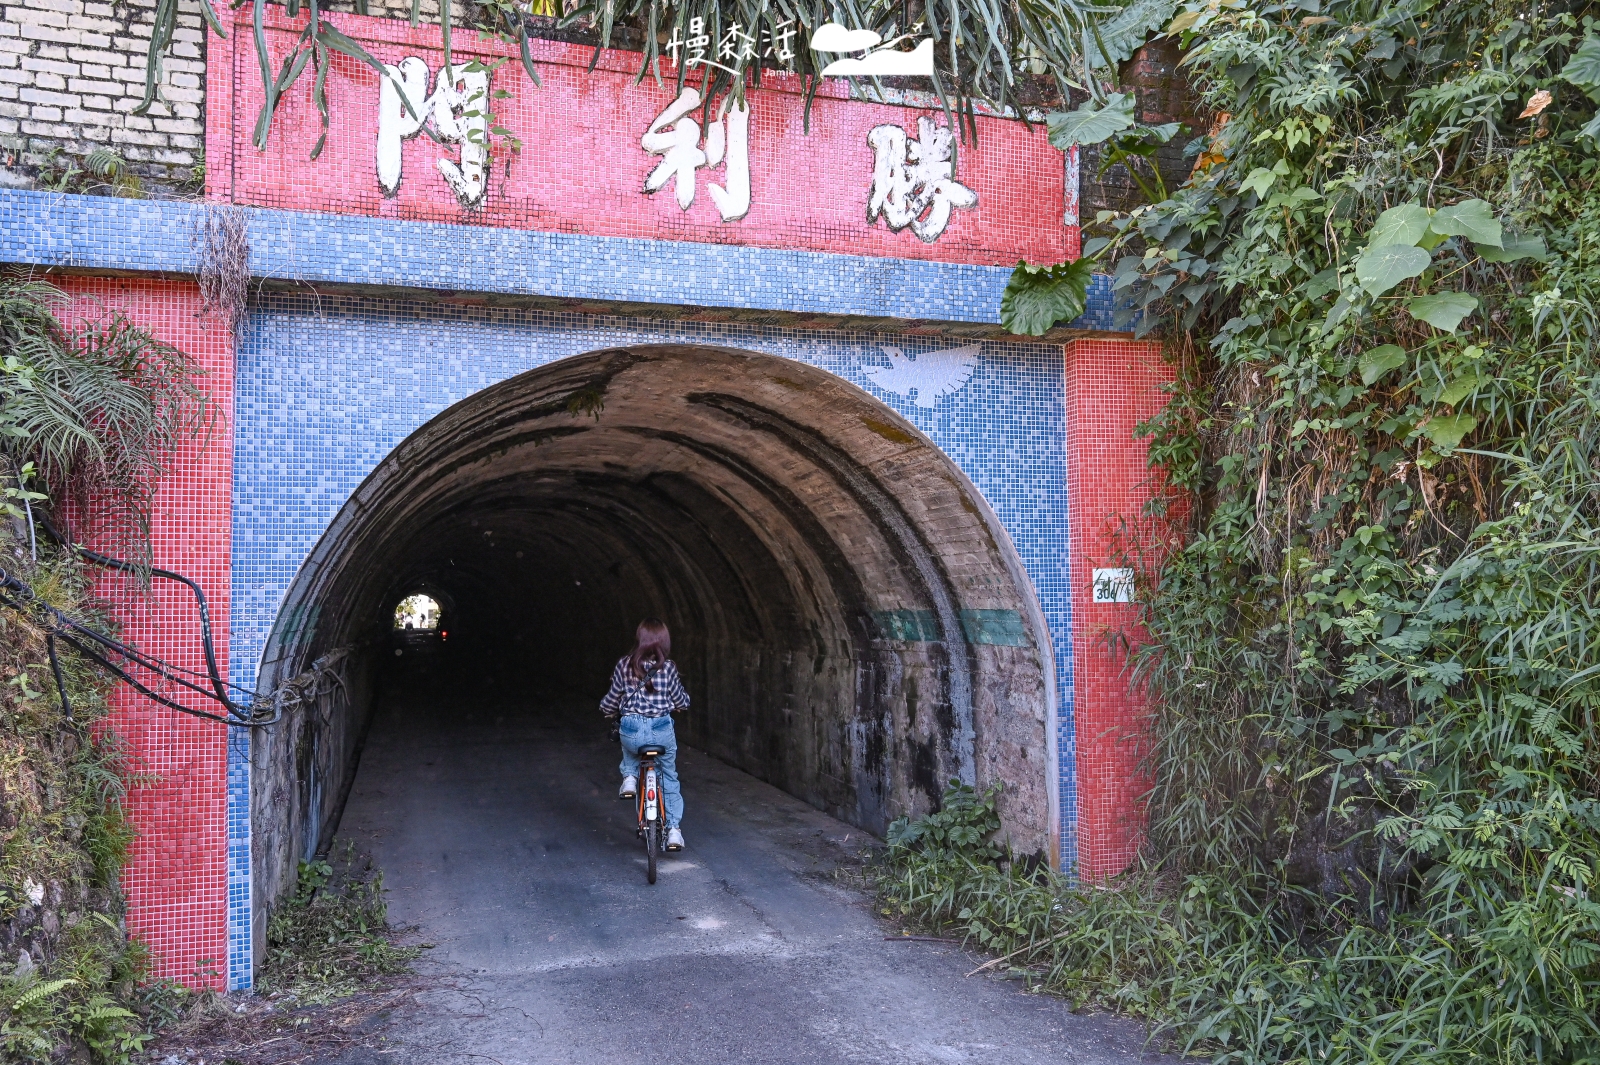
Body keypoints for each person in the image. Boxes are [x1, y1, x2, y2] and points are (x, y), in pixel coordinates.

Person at [600, 618, 690, 850]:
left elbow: (613, 697)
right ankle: (673, 831)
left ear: (639, 639)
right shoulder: (668, 668)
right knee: (669, 776)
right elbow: (679, 698)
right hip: (661, 730)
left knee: (628, 735)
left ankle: (629, 777)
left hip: (632, 731)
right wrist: (681, 704)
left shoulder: (624, 665)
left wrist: (607, 710)